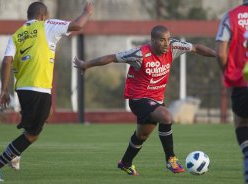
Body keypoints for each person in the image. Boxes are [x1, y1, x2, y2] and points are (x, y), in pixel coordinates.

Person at [73, 25, 216, 176]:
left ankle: (125, 163)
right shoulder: (139, 55)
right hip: (138, 99)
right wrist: (86, 64)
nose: (166, 43)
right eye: (162, 40)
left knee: (141, 136)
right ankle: (171, 159)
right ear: (152, 40)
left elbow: (196, 48)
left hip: (156, 100)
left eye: (168, 39)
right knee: (166, 117)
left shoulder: (173, 47)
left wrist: (217, 54)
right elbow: (112, 57)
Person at [0, 1, 94, 182]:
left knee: (45, 116)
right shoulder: (46, 25)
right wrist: (87, 12)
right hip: (38, 88)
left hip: (24, 89)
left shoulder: (17, 34)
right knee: (32, 135)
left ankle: (15, 153)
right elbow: (77, 25)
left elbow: (6, 61)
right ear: (43, 16)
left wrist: (4, 90)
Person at [215, 1, 248, 183]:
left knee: (242, 123)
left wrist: (227, 73)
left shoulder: (232, 16)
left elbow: (220, 53)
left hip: (242, 81)